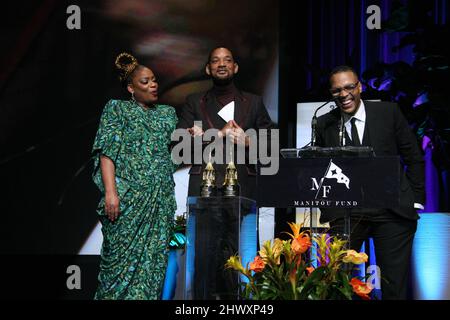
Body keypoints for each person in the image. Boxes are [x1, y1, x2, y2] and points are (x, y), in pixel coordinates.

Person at [315, 65, 425, 299]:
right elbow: (319, 167)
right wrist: (329, 209)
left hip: (391, 209)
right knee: (337, 282)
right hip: (347, 213)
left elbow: (413, 156)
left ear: (360, 87)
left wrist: (416, 200)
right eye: (336, 91)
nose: (344, 95)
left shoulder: (388, 112)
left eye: (349, 87)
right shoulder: (324, 123)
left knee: (394, 285)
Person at [91, 52, 178, 299]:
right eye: (145, 82)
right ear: (130, 88)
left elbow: (177, 148)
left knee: (153, 271)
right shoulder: (116, 110)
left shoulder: (167, 114)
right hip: (128, 203)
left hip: (159, 203)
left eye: (154, 80)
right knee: (115, 273)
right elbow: (106, 153)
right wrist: (111, 193)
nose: (153, 85)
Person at [177, 46, 274, 199]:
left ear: (235, 68)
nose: (221, 64)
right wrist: (219, 134)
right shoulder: (194, 102)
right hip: (203, 186)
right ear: (208, 69)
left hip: (242, 186)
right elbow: (179, 148)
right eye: (215, 61)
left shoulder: (254, 102)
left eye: (227, 60)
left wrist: (248, 142)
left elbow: (272, 148)